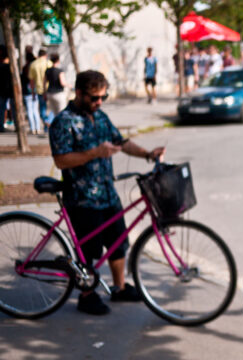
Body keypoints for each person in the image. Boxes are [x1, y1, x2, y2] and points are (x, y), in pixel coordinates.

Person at [49, 70, 165, 315]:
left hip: (107, 195)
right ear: (79, 93)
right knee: (88, 251)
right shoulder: (64, 121)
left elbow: (121, 142)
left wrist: (147, 154)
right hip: (82, 199)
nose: (99, 102)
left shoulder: (100, 117)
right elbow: (61, 160)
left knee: (118, 243)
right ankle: (87, 294)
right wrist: (95, 153)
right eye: (94, 98)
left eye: (103, 97)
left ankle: (119, 288)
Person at [29, 49, 53, 132]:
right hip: (50, 89)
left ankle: (46, 124)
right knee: (52, 109)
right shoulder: (49, 63)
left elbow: (31, 81)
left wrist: (32, 92)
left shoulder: (33, 64)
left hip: (39, 90)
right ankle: (48, 122)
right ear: (45, 55)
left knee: (42, 109)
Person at [44, 53, 70, 117]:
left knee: (54, 113)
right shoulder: (59, 71)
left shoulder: (47, 70)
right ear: (58, 60)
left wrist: (44, 93)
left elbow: (44, 83)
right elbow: (62, 83)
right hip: (59, 94)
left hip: (50, 94)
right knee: (62, 113)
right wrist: (69, 85)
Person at [21, 50, 40, 133]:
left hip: (28, 91)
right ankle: (38, 128)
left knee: (30, 110)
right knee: (35, 110)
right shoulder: (35, 67)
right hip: (34, 91)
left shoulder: (26, 67)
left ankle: (33, 128)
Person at [0, 45, 16, 132]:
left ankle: (1, 126)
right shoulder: (11, 66)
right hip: (10, 91)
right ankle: (16, 126)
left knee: (2, 109)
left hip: (5, 91)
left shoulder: (9, 66)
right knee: (12, 109)